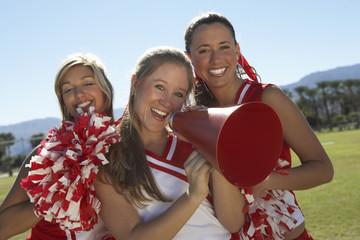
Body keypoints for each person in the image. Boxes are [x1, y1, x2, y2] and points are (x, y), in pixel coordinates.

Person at [184, 12, 334, 240]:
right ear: (190, 58)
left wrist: (265, 181)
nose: (216, 59)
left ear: (237, 50)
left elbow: (324, 169)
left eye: (224, 47)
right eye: (204, 50)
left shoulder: (266, 97)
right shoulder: (194, 115)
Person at [94, 46, 246, 240]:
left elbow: (233, 222)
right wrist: (193, 197)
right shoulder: (106, 157)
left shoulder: (195, 144)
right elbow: (132, 237)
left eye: (178, 94)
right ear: (135, 84)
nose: (167, 102)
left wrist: (211, 142)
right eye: (159, 87)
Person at [0, 53, 118, 240]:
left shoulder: (127, 146)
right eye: (68, 89)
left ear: (107, 89)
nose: (78, 94)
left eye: (88, 83)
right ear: (63, 100)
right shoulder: (45, 155)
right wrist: (51, 197)